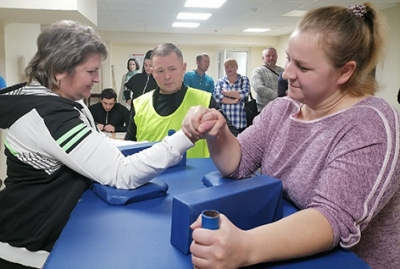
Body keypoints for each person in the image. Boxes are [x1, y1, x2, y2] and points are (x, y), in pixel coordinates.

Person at [182, 3, 400, 269]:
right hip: (285, 247)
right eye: (289, 59)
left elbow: (330, 218)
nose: (286, 74)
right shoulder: (282, 109)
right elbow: (237, 164)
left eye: (303, 67)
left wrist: (244, 247)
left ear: (345, 71)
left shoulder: (371, 124)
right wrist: (219, 133)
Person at [0, 21, 194, 269]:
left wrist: (150, 145)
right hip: (25, 250)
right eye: (90, 71)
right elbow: (122, 173)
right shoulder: (49, 115)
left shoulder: (66, 99)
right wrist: (187, 135)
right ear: (59, 70)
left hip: (51, 238)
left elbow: (99, 145)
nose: (97, 78)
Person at [125, 43, 238, 158]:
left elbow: (233, 137)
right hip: (151, 176)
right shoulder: (139, 104)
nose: (167, 76)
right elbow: (128, 149)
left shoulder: (205, 100)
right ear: (153, 72)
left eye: (172, 69)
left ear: (183, 68)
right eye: (160, 71)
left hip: (196, 175)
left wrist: (216, 134)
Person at [213, 58, 250, 132]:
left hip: (240, 122)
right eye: (227, 66)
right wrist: (234, 101)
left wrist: (225, 93)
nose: (229, 68)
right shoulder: (220, 81)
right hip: (224, 123)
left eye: (232, 66)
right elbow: (217, 97)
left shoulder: (243, 79)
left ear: (236, 67)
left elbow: (245, 93)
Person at [251, 47, 284, 112]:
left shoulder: (282, 71)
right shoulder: (258, 71)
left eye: (273, 56)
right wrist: (279, 96)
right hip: (264, 109)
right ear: (263, 58)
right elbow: (259, 88)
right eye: (268, 56)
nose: (271, 58)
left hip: (281, 108)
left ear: (277, 57)